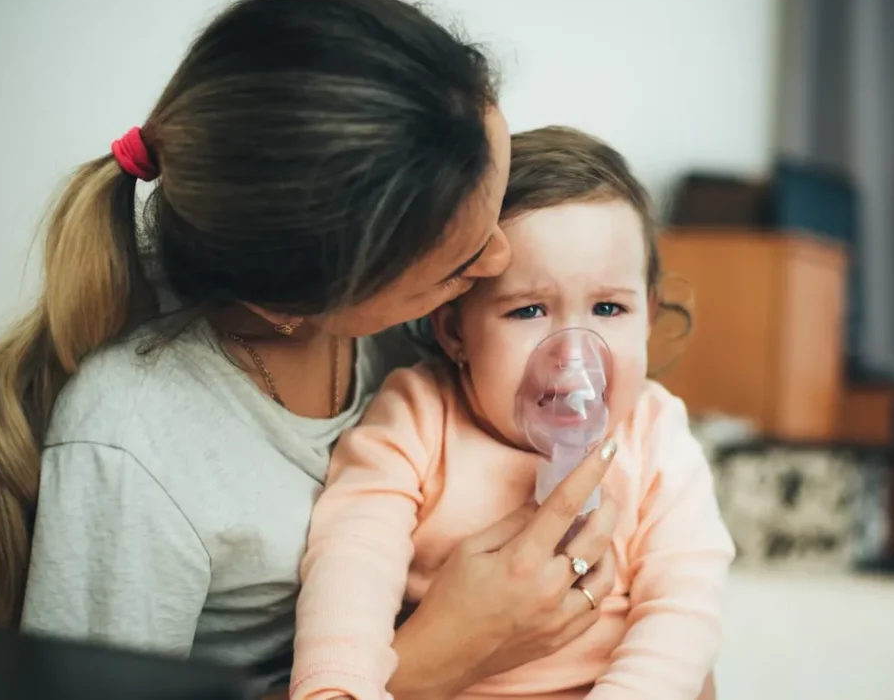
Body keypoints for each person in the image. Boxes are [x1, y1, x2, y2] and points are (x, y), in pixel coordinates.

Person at [0, 0, 623, 697]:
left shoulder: (401, 336)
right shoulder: (135, 448)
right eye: (455, 266)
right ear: (292, 306)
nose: (499, 262)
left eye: (493, 211)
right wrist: (448, 651)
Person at [290, 127, 734, 700]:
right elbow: (350, 563)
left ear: (648, 315)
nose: (573, 352)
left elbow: (685, 605)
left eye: (607, 308)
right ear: (454, 330)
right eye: (528, 310)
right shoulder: (417, 418)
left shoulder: (655, 432)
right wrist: (338, 686)